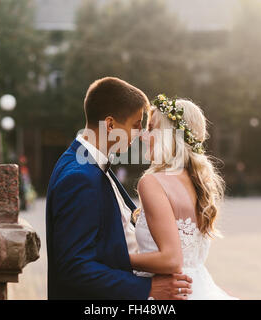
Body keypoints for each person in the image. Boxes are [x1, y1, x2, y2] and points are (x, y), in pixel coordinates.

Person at [46, 78, 192, 300]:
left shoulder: (88, 165)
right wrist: (148, 288)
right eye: (136, 125)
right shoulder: (79, 177)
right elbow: (74, 267)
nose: (141, 135)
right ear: (111, 125)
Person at [130, 95, 237, 300]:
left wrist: (116, 258)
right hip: (199, 288)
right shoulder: (199, 183)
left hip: (169, 292)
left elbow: (171, 259)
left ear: (169, 135)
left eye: (151, 128)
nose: (143, 136)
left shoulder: (152, 182)